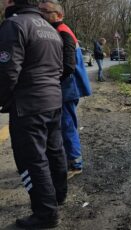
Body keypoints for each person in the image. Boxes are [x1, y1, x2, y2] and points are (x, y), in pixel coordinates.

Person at [0, 0, 67, 228]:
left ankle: (46, 214)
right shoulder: (49, 28)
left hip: (29, 105)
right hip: (53, 100)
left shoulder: (15, 24)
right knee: (54, 151)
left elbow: (8, 71)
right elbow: (59, 69)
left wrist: (3, 100)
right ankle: (58, 197)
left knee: (32, 160)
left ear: (12, 2)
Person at [39, 0, 92, 180]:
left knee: (67, 125)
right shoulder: (59, 31)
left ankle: (76, 164)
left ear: (59, 15)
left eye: (46, 11)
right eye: (40, 11)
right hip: (68, 87)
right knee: (65, 124)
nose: (42, 14)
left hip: (69, 88)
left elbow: (68, 66)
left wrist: (52, 79)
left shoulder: (63, 33)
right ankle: (69, 160)